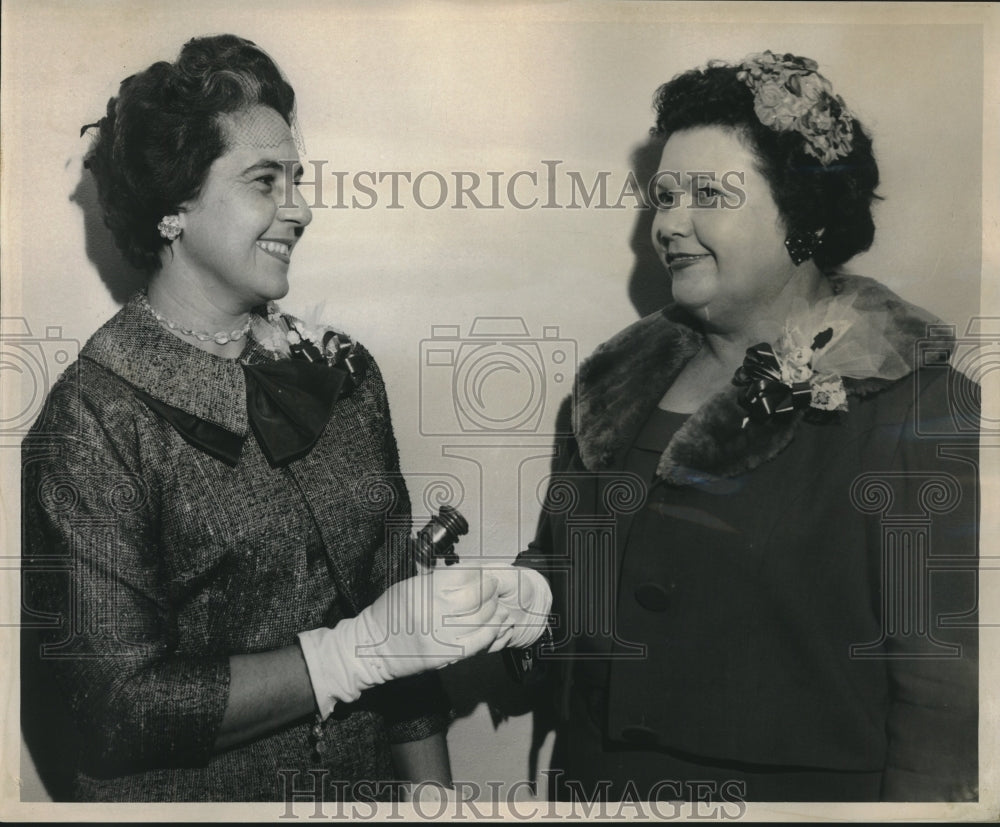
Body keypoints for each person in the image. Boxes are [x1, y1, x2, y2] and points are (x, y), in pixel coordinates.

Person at [20, 34, 523, 803]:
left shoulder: (342, 374)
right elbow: (114, 709)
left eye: (298, 178)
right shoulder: (93, 420)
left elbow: (404, 634)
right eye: (265, 181)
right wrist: (346, 655)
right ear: (173, 209)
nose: (302, 208)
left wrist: (436, 804)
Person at [517, 51, 979, 802]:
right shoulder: (610, 384)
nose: (668, 224)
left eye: (708, 194)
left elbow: (946, 708)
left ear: (802, 213)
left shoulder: (921, 408)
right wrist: (520, 597)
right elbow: (570, 578)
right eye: (663, 197)